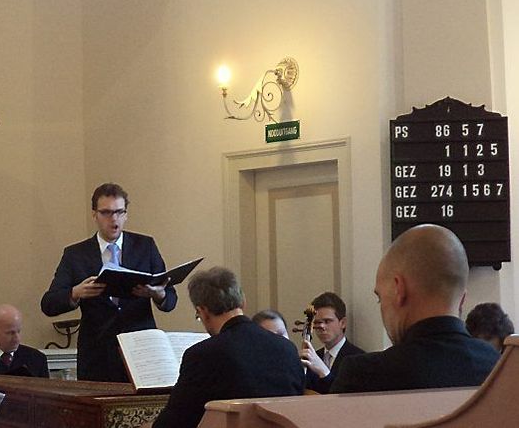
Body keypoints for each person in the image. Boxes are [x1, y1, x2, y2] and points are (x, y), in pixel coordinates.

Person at [331, 224, 501, 393]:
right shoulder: (499, 368)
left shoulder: (362, 375)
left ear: (399, 290)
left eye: (379, 298)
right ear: (462, 300)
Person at [41, 183, 178, 382]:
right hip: (97, 354)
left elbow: (171, 300)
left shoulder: (145, 246)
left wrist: (158, 294)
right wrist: (75, 293)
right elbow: (48, 304)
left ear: (126, 214)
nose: (113, 219)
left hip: (141, 351)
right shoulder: (76, 254)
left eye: (119, 212)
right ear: (94, 215)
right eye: (106, 213)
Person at [151, 267, 303, 428]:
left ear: (202, 311)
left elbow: (176, 421)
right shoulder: (287, 348)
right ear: (243, 301)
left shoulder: (202, 355)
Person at [300, 292, 364, 393]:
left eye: (327, 321)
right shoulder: (312, 357)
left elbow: (347, 396)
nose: (321, 327)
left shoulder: (358, 358)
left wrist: (323, 371)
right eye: (316, 322)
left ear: (342, 323)